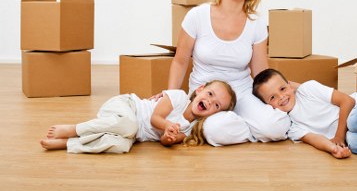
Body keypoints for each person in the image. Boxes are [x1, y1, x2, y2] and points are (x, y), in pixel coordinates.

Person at [164, 0, 290, 146]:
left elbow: (261, 74)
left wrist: (290, 89)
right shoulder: (197, 16)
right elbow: (180, 61)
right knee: (216, 130)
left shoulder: (256, 23)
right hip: (207, 96)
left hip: (242, 92)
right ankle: (236, 127)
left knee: (276, 127)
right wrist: (170, 99)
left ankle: (236, 125)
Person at [39, 80, 237, 153]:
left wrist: (168, 138)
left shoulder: (191, 130)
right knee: (129, 125)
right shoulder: (178, 97)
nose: (210, 102)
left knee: (121, 146)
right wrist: (167, 124)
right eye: (209, 94)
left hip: (131, 134)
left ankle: (69, 144)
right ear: (200, 89)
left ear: (215, 114)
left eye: (216, 105)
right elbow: (155, 119)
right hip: (126, 108)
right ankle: (74, 129)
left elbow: (166, 141)